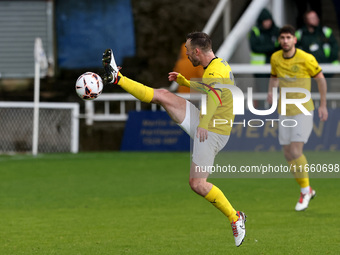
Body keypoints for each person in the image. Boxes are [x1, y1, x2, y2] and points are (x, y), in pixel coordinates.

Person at [102, 32, 246, 247]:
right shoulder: (219, 64)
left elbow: (215, 97)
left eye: (188, 50)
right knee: (162, 95)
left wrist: (205, 125)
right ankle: (117, 78)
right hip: (207, 122)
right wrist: (186, 82)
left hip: (213, 131)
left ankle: (236, 218)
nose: (187, 54)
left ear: (197, 51)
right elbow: (216, 90)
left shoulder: (213, 71)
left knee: (197, 184)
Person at [267, 25, 328, 211]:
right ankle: (307, 188)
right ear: (279, 40)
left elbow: (321, 80)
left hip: (303, 110)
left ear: (294, 40)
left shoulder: (306, 58)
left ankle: (304, 191)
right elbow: (274, 76)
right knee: (287, 154)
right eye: (282, 37)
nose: (285, 40)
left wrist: (323, 105)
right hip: (284, 110)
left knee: (295, 151)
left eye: (288, 37)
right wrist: (271, 91)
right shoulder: (275, 57)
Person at [249, 8, 280, 108]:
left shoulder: (277, 31)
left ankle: (275, 111)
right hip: (260, 68)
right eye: (265, 21)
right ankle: (262, 110)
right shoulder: (255, 31)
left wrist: (269, 47)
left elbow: (281, 46)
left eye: (269, 20)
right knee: (262, 91)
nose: (268, 23)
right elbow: (255, 48)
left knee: (276, 91)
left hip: (275, 67)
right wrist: (272, 47)